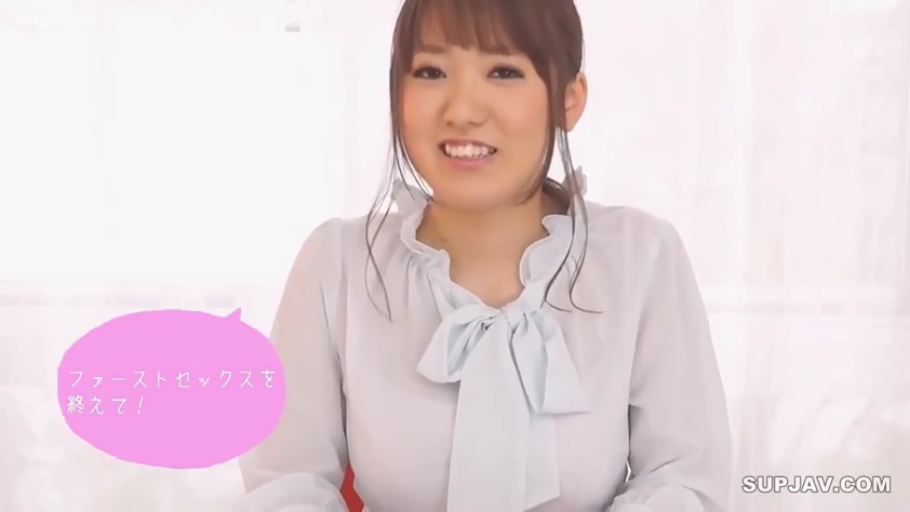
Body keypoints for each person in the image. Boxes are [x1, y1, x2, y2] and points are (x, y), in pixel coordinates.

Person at [235, 0, 731, 510]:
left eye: (503, 72)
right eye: (431, 71)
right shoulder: (336, 265)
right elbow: (286, 486)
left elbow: (683, 481)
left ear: (568, 99)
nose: (462, 111)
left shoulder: (641, 258)